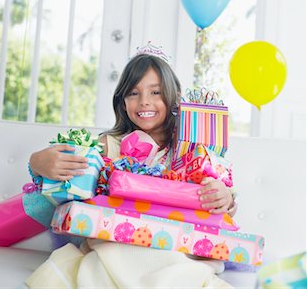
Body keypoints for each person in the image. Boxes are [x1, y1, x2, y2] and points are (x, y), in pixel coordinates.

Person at [26, 49, 236, 288]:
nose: (144, 101)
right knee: (111, 255)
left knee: (178, 265)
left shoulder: (192, 150)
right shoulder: (109, 145)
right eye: (133, 93)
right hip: (118, 242)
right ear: (123, 102)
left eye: (155, 92)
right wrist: (37, 162)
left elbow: (225, 204)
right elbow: (70, 171)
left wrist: (225, 197)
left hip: (176, 247)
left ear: (175, 98)